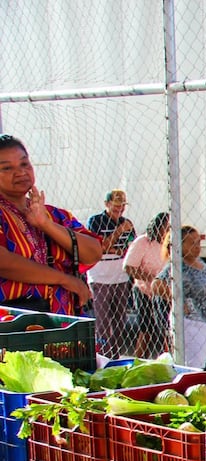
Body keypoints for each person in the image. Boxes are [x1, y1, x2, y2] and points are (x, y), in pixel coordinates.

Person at [0, 134, 99, 314]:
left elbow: (93, 253)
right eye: (7, 168)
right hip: (14, 329)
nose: (21, 173)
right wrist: (65, 280)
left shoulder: (54, 215)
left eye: (24, 164)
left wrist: (46, 225)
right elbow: (3, 262)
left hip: (66, 323)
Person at [153, 226, 206, 368]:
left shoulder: (203, 265)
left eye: (198, 242)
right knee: (193, 366)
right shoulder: (177, 266)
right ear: (180, 244)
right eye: (192, 243)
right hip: (192, 323)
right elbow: (156, 285)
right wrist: (178, 301)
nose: (197, 247)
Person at [86, 189, 137, 358]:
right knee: (102, 321)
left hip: (120, 277)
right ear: (107, 204)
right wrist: (119, 232)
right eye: (116, 206)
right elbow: (99, 248)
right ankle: (101, 355)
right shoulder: (96, 221)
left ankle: (114, 356)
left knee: (119, 321)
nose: (120, 209)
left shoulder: (127, 223)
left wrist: (114, 248)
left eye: (122, 206)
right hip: (99, 277)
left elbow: (130, 249)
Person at [122, 212, 171, 358]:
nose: (168, 230)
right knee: (147, 329)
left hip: (165, 292)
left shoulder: (171, 243)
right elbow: (129, 267)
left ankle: (171, 360)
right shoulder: (143, 242)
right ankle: (140, 361)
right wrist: (150, 278)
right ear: (157, 227)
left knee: (167, 329)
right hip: (144, 290)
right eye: (166, 227)